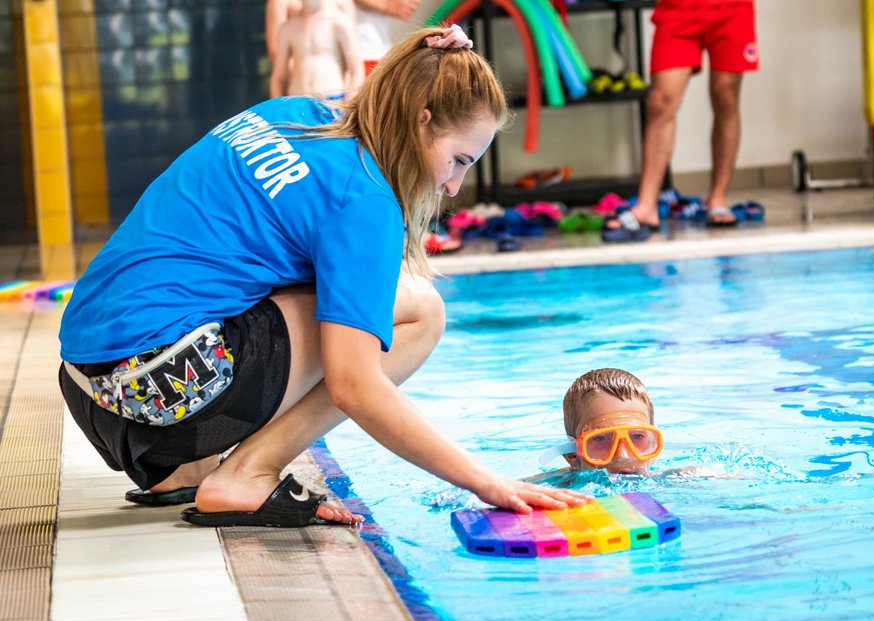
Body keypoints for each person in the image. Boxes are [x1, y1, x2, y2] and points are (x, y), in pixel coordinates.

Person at [58, 25, 591, 528]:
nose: (453, 186)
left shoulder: (295, 113)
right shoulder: (363, 199)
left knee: (313, 287)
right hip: (158, 389)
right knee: (421, 311)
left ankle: (184, 468)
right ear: (422, 118)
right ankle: (248, 474)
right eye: (458, 160)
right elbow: (353, 387)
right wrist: (487, 482)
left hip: (87, 385)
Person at [603, 0, 758, 242]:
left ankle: (717, 198)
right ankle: (646, 206)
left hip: (732, 8)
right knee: (660, 101)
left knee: (726, 98)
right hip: (679, 8)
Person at [269, 0, 365, 98]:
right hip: (297, 101)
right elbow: (278, 78)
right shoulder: (288, 28)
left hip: (333, 101)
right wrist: (275, 108)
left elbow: (357, 71)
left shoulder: (340, 22)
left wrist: (348, 107)